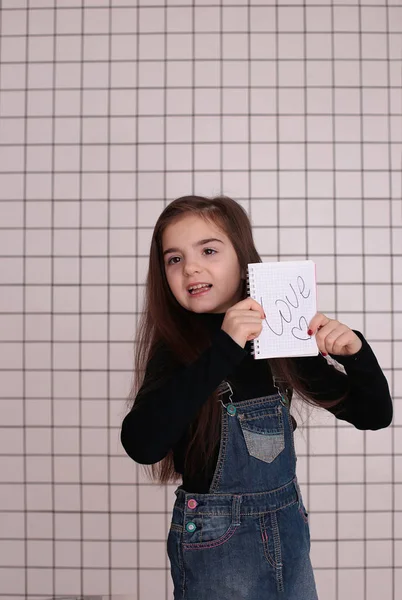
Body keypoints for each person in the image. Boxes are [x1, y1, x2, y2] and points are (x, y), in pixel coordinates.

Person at [120, 195, 392, 600]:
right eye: (173, 259)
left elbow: (374, 414)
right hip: (217, 546)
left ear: (243, 259)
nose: (191, 267)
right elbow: (141, 443)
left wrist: (356, 354)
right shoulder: (176, 350)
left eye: (208, 250)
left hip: (289, 536)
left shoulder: (279, 339)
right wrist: (225, 347)